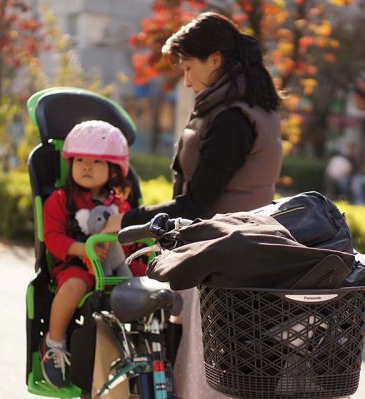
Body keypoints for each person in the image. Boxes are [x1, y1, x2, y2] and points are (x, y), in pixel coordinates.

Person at [105, 12, 283, 399]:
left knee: (208, 376)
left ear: (215, 59)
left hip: (219, 259)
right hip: (245, 255)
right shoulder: (253, 109)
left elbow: (199, 202)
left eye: (189, 67)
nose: (186, 79)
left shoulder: (232, 119)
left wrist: (128, 219)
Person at [40, 120, 141, 388]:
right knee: (73, 285)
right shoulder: (60, 200)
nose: (86, 166)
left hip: (115, 267)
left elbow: (129, 243)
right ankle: (54, 341)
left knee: (151, 283)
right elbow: (52, 238)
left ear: (113, 169)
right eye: (80, 160)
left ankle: (147, 347)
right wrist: (82, 248)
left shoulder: (120, 205)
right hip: (76, 266)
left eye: (96, 162)